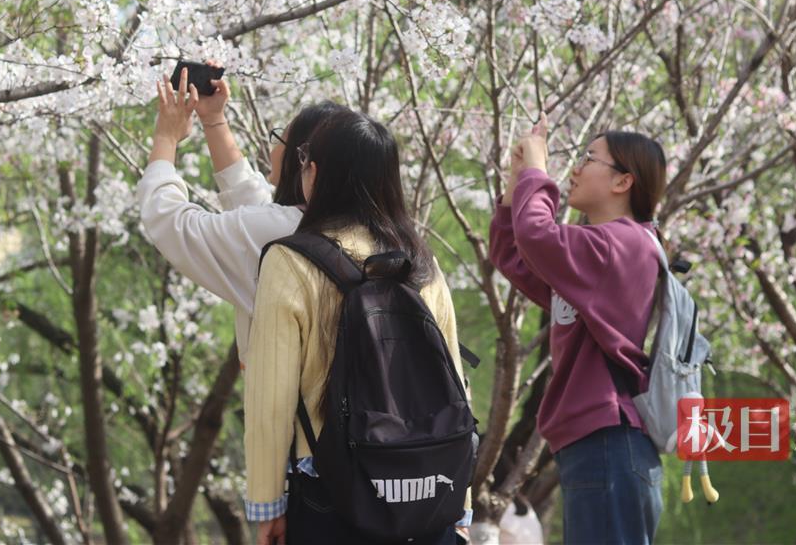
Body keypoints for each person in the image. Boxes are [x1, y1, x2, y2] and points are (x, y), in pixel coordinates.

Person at [244, 110, 472, 545]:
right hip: (427, 489)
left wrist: (267, 505)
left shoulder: (291, 261)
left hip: (330, 493)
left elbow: (269, 398)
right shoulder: (421, 263)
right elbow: (457, 385)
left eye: (307, 157)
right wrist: (462, 499)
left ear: (319, 172)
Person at [488, 117, 666, 545]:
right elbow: (514, 253)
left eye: (589, 158)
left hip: (608, 440)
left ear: (624, 181)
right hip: (599, 444)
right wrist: (518, 185)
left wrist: (536, 169)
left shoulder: (624, 244)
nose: (577, 169)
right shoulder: (599, 250)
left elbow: (537, 235)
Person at [136, 65, 344, 365]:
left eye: (278, 140)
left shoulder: (285, 234)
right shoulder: (327, 225)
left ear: (305, 164)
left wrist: (166, 138)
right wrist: (214, 119)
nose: (273, 149)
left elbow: (172, 224)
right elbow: (253, 203)